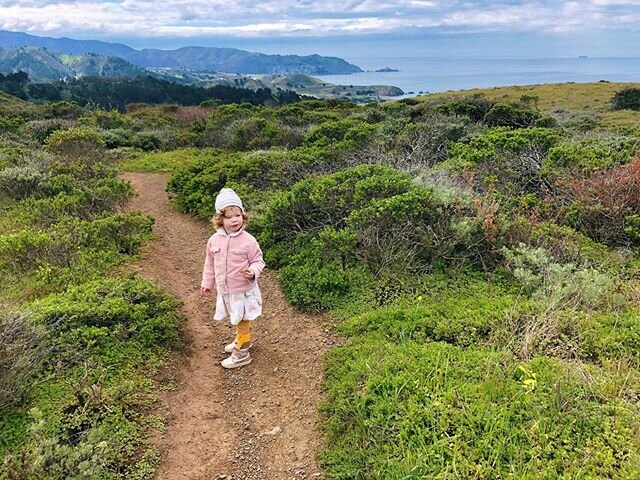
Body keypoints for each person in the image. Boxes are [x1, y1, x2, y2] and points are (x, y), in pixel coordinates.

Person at [201, 188, 265, 369]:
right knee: (238, 318)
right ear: (220, 219)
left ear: (243, 216)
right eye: (229, 217)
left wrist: (253, 272)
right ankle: (242, 340)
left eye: (238, 214)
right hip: (226, 290)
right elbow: (210, 264)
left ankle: (242, 354)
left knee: (242, 319)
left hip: (244, 291)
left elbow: (258, 261)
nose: (235, 219)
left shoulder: (249, 240)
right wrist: (207, 283)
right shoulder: (214, 241)